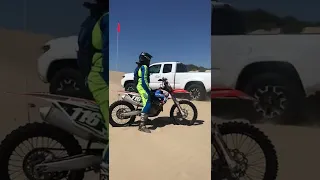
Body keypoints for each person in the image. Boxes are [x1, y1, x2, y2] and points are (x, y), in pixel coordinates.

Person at [78, 0, 109, 179]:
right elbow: (109, 56)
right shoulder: (109, 19)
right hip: (103, 79)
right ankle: (108, 169)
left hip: (100, 76)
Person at [134, 52, 153, 133]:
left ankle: (146, 117)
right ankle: (142, 125)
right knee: (148, 102)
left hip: (139, 86)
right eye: (149, 59)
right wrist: (148, 90)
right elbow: (144, 80)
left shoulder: (139, 66)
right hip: (142, 87)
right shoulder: (144, 67)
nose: (150, 61)